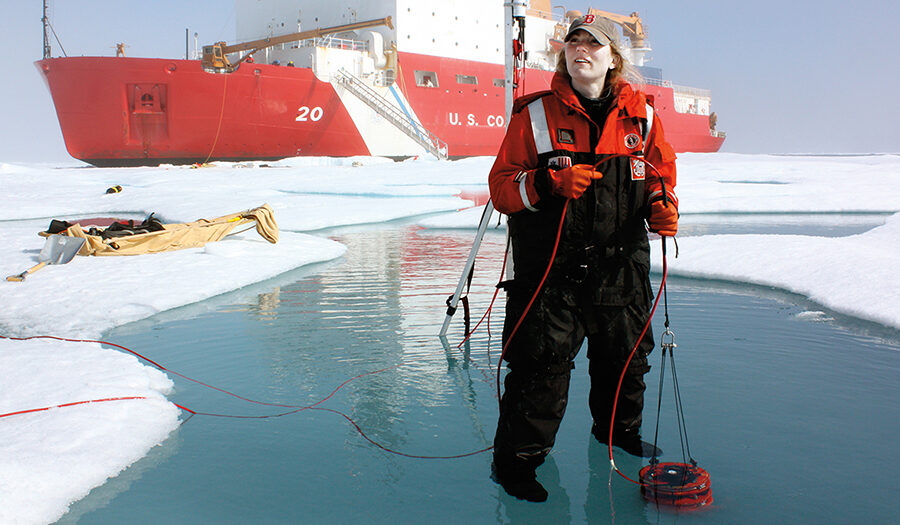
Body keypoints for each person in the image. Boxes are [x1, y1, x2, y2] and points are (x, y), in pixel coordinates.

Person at [488, 14, 679, 502]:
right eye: (573, 41)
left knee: (626, 361)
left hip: (621, 267)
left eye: (593, 43)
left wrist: (662, 206)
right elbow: (501, 189)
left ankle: (617, 435)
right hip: (551, 274)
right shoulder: (534, 115)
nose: (581, 49)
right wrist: (547, 183)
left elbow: (661, 176)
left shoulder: (644, 117)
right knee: (540, 371)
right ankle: (517, 465)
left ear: (613, 58)